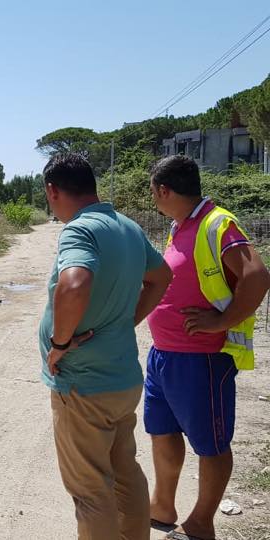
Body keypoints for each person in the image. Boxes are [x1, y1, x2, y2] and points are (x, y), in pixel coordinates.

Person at [39, 153, 172, 540]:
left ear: (53, 190)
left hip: (84, 385)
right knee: (125, 474)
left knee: (90, 491)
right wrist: (125, 320)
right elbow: (161, 277)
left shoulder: (80, 230)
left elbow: (75, 284)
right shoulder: (126, 227)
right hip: (121, 380)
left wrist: (59, 342)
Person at [145, 155, 270, 540]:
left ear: (164, 190)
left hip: (201, 360)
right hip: (163, 355)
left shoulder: (218, 223)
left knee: (211, 444)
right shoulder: (179, 226)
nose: (153, 199)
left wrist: (221, 321)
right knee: (162, 432)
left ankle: (200, 523)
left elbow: (257, 275)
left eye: (153, 193)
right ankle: (162, 508)